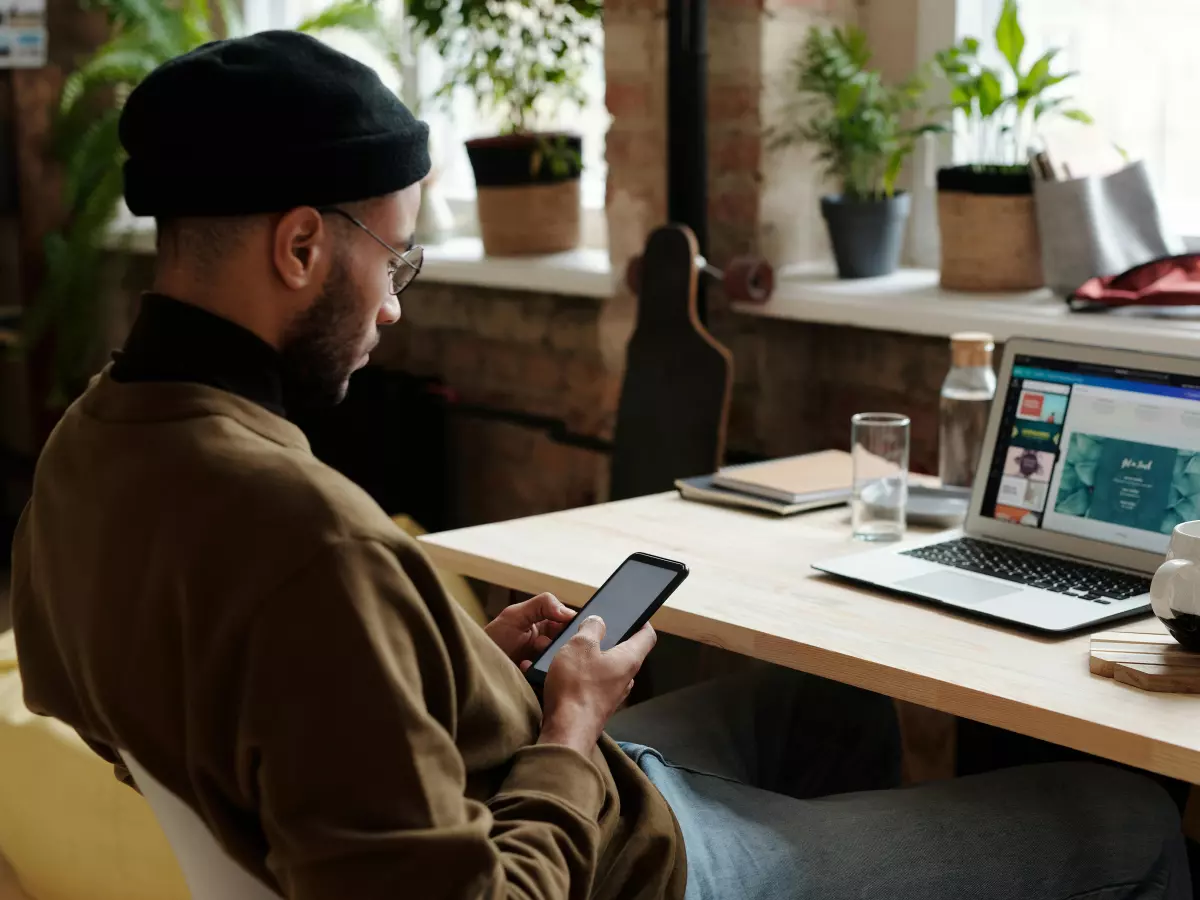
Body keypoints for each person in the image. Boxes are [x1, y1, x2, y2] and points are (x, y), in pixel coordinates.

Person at [10, 30, 1191, 900]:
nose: (394, 312)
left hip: (495, 786)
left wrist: (433, 665)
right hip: (609, 863)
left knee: (828, 701)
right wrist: (568, 724)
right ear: (304, 244)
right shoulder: (306, 538)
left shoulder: (86, 450)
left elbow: (208, 697)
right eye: (399, 261)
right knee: (1126, 813)